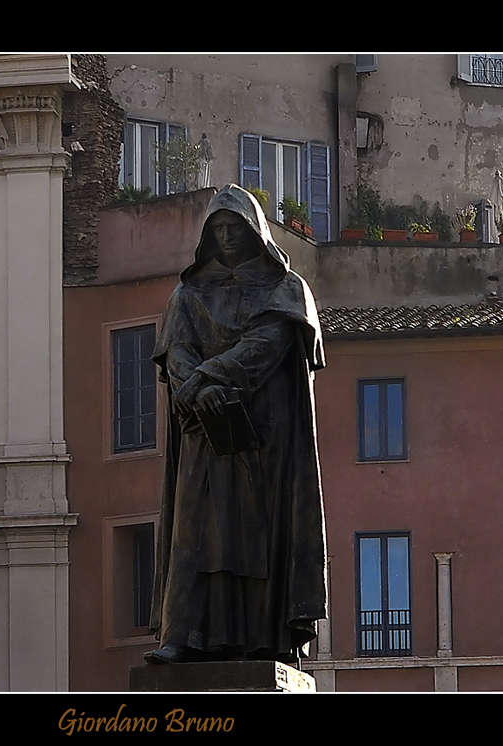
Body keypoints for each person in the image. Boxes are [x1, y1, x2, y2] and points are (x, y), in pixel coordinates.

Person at [145, 184, 327, 664]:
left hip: (264, 436)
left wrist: (205, 378)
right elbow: (176, 350)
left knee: (259, 536)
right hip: (203, 431)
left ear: (255, 232)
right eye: (218, 229)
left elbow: (266, 346)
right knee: (194, 529)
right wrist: (200, 390)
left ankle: (265, 641)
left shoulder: (287, 291)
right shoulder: (187, 295)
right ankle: (181, 634)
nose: (226, 237)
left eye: (234, 228)